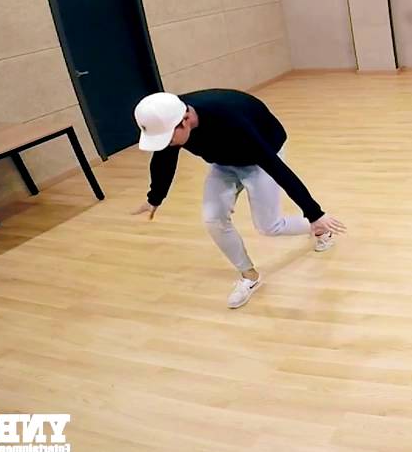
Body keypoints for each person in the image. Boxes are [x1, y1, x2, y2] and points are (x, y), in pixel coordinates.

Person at [131, 90, 347, 309]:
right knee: (212, 218)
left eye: (167, 139)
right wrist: (155, 197)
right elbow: (164, 157)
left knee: (269, 226)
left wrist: (314, 212)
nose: (166, 144)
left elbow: (276, 168)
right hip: (224, 161)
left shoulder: (231, 122)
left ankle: (320, 228)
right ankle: (249, 276)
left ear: (185, 120)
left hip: (261, 154)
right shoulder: (168, 115)